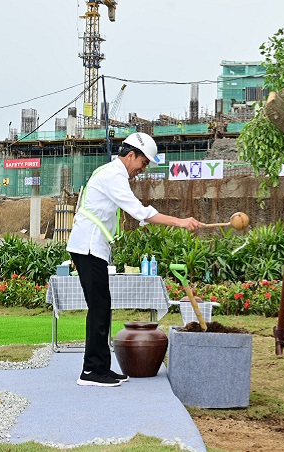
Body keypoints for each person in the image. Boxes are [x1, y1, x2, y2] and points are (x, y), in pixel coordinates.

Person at [66, 132, 205, 387]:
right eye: (143, 163)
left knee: (102, 307)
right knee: (99, 308)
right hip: (87, 247)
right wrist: (181, 222)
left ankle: (100, 368)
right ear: (131, 155)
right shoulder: (113, 176)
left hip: (90, 247)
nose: (142, 169)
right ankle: (90, 372)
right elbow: (141, 212)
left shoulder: (111, 173)